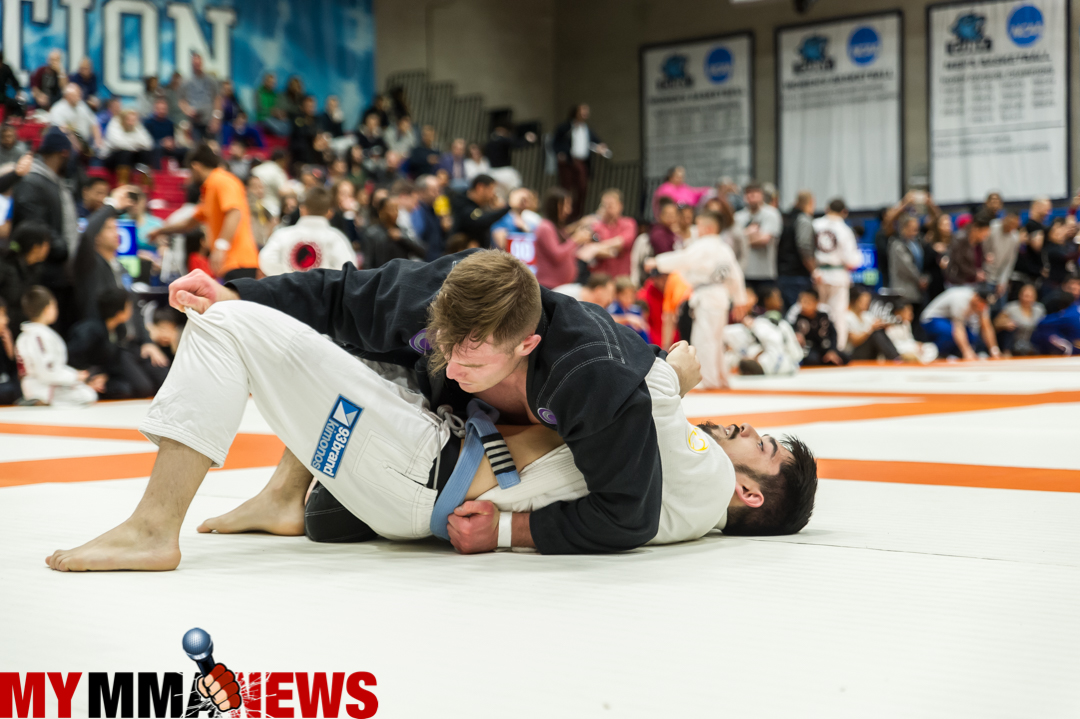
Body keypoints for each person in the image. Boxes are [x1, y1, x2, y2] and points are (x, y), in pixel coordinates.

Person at [646, 211, 749, 389]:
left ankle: (707, 380)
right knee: (716, 340)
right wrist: (740, 299)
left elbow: (684, 259)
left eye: (699, 225)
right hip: (721, 296)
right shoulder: (724, 249)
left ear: (708, 228)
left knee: (705, 339)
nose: (696, 229)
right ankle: (720, 378)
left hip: (707, 296)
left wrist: (657, 262)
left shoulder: (704, 245)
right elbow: (736, 276)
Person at [149, 144, 259, 281]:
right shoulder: (211, 187)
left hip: (240, 263)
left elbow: (235, 212)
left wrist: (221, 247)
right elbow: (189, 224)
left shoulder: (222, 180)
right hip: (229, 264)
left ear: (195, 166)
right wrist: (160, 231)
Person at [11, 128, 78, 296]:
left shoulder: (53, 182)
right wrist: (62, 249)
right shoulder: (32, 182)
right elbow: (34, 226)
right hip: (42, 274)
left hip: (55, 272)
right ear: (64, 153)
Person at [67, 287, 163, 399]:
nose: (131, 310)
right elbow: (72, 358)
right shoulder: (90, 330)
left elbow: (108, 362)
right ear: (119, 312)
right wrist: (88, 378)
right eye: (129, 306)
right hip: (80, 377)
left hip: (101, 375)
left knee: (124, 388)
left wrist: (104, 375)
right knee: (129, 389)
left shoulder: (118, 330)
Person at [14, 285, 99, 405]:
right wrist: (74, 376)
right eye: (54, 306)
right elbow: (47, 371)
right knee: (88, 395)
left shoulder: (25, 336)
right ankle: (39, 400)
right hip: (43, 388)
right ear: (47, 309)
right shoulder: (39, 336)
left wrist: (75, 375)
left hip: (36, 385)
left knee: (86, 391)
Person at [259, 187, 355, 276]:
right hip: (323, 289)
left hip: (289, 288)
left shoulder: (283, 235)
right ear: (329, 213)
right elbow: (348, 266)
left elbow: (266, 260)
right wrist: (324, 279)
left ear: (302, 210)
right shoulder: (335, 237)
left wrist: (288, 276)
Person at [811, 199, 863, 352]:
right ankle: (837, 350)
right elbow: (852, 260)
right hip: (838, 275)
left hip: (817, 273)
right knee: (838, 315)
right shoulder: (845, 230)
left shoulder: (815, 224)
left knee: (817, 312)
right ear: (844, 212)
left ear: (827, 208)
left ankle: (817, 348)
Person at [534, 187, 596, 289]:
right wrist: (575, 240)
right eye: (565, 205)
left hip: (560, 286)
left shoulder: (557, 228)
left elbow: (566, 252)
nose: (569, 210)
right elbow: (557, 255)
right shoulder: (545, 227)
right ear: (556, 205)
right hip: (549, 286)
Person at [554, 104, 606, 220]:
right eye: (582, 111)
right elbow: (556, 142)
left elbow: (596, 142)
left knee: (582, 189)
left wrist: (601, 147)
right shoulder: (565, 127)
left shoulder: (587, 129)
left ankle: (577, 215)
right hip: (569, 162)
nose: (585, 114)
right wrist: (560, 153)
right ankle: (563, 216)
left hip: (582, 162)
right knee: (566, 189)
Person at [919, 286, 1000, 360]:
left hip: (951, 322)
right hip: (932, 319)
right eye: (982, 303)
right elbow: (958, 327)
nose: (983, 307)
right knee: (950, 333)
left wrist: (994, 350)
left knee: (972, 337)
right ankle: (937, 353)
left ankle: (954, 354)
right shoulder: (960, 298)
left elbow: (986, 327)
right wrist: (967, 351)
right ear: (976, 297)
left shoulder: (983, 305)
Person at [733, 182, 783, 296]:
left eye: (755, 193)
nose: (752, 197)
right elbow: (733, 242)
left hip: (765, 273)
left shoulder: (771, 214)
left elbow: (764, 240)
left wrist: (743, 236)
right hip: (744, 272)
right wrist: (749, 233)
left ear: (761, 195)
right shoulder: (738, 217)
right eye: (748, 194)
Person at [0, 221, 51, 332]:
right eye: (46, 243)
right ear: (36, 247)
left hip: (22, 330)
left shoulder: (36, 269)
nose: (49, 248)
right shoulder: (5, 266)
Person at [776, 191, 816, 311]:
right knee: (797, 311)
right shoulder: (803, 220)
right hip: (798, 273)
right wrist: (813, 269)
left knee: (788, 310)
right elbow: (804, 246)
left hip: (782, 271)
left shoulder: (785, 218)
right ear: (811, 202)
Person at [359, 195, 425, 268]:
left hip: (402, 273)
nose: (395, 212)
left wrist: (402, 237)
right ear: (381, 212)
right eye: (391, 209)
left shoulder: (403, 231)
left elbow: (422, 252)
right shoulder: (371, 234)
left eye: (397, 209)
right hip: (381, 273)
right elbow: (367, 263)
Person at [449, 175, 510, 249]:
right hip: (461, 253)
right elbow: (481, 220)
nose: (493, 195)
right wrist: (507, 208)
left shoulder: (481, 205)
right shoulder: (462, 203)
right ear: (480, 187)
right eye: (491, 189)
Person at [590, 189, 638, 279]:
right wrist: (611, 250)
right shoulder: (596, 226)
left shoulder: (629, 223)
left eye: (611, 204)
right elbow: (587, 250)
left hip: (621, 277)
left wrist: (597, 247)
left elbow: (622, 241)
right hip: (599, 278)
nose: (608, 207)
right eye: (604, 204)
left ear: (620, 205)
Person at [843, 287, 899, 361]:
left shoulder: (866, 315)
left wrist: (883, 325)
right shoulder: (847, 317)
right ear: (855, 301)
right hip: (853, 353)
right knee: (875, 333)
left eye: (868, 301)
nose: (867, 304)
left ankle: (896, 356)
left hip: (869, 352)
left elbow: (877, 326)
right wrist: (870, 329)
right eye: (864, 301)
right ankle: (894, 358)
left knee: (878, 331)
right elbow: (854, 341)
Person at [793, 289, 845, 366]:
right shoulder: (797, 318)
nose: (804, 305)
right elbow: (793, 333)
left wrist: (832, 350)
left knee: (845, 357)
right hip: (809, 350)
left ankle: (829, 358)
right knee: (812, 359)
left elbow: (833, 334)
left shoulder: (823, 316)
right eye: (802, 302)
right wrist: (797, 336)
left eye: (807, 302)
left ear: (816, 303)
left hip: (825, 348)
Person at [888, 215, 928, 311]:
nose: (916, 228)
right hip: (904, 290)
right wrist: (919, 279)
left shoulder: (917, 242)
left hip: (917, 290)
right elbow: (907, 267)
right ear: (904, 227)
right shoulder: (897, 244)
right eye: (912, 226)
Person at [1030, 282, 1080, 355]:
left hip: (1076, 349)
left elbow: (1042, 323)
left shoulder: (1068, 314)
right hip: (1073, 341)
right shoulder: (1075, 308)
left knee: (1044, 333)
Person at [994, 283, 1044, 356]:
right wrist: (1005, 324)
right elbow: (996, 323)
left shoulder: (1039, 309)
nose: (1028, 299)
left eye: (1030, 297)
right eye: (1026, 296)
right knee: (1008, 331)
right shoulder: (1011, 308)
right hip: (1014, 343)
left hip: (1032, 343)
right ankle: (1006, 353)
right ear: (1020, 295)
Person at [49, 84, 102, 151]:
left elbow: (94, 123)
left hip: (86, 143)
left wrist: (98, 140)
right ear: (67, 96)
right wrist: (77, 147)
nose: (79, 97)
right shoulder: (57, 109)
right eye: (76, 95)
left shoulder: (81, 105)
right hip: (67, 146)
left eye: (79, 94)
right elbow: (62, 131)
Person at [944, 212, 991, 287]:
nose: (986, 234)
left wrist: (985, 259)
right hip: (958, 282)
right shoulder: (960, 239)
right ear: (976, 228)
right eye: (985, 231)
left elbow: (977, 260)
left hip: (973, 282)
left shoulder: (979, 242)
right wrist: (975, 273)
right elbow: (959, 261)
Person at [103, 109, 154, 177]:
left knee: (145, 153)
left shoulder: (137, 125)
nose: (131, 122)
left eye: (133, 120)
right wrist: (136, 144)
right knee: (125, 153)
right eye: (128, 120)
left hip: (131, 157)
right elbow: (118, 143)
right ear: (123, 119)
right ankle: (123, 181)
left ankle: (146, 180)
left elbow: (148, 143)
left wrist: (129, 143)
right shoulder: (114, 123)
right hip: (112, 158)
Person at [179, 53, 220, 139]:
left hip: (209, 121)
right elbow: (181, 101)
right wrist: (187, 110)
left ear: (202, 63)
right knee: (196, 146)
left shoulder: (211, 80)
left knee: (212, 145)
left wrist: (216, 118)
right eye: (195, 64)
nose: (197, 66)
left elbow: (217, 99)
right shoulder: (185, 82)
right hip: (194, 122)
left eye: (198, 63)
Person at [984, 212, 1021, 299]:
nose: (1011, 226)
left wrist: (1003, 281)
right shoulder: (993, 227)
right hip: (985, 273)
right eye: (1010, 223)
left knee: (1002, 299)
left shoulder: (1015, 237)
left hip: (999, 276)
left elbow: (1010, 262)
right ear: (1004, 219)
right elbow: (983, 248)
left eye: (1014, 224)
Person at [607, 276, 650, 342]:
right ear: (616, 295)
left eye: (631, 296)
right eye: (625, 296)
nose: (629, 299)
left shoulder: (637, 310)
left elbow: (643, 331)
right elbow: (607, 320)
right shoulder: (612, 309)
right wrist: (627, 319)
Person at [143, 97, 181, 169]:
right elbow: (146, 140)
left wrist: (171, 143)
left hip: (168, 147)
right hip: (153, 146)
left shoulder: (170, 123)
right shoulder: (148, 123)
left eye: (164, 109)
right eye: (159, 109)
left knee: (183, 150)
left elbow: (172, 137)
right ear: (155, 109)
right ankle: (157, 172)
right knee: (157, 149)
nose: (161, 111)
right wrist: (161, 142)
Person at [0, 297, 19, 404]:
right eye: (2, 315)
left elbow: (13, 375)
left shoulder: (3, 341)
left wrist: (11, 353)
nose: (6, 320)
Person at [0, 53, 24, 120]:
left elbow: (14, 81)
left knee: (17, 104)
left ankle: (17, 118)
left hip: (2, 96)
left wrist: (18, 91)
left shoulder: (5, 68)